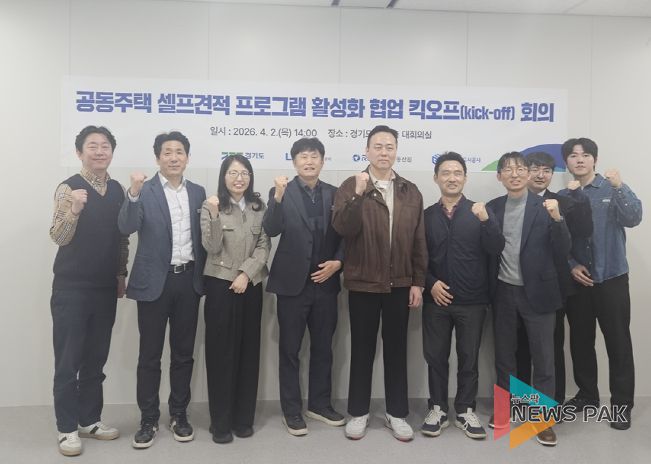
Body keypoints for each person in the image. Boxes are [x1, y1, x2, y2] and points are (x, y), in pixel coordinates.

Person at [332, 125, 427, 442]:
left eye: (389, 147)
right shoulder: (351, 185)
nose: (384, 152)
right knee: (362, 349)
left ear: (396, 151)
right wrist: (358, 195)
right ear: (367, 151)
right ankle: (358, 412)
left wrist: (418, 282)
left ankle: (396, 414)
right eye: (378, 146)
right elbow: (342, 227)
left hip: (400, 283)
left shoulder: (410, 191)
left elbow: (418, 239)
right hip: (363, 283)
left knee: (397, 350)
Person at [118, 131, 206, 449]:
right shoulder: (144, 190)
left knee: (183, 355)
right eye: (167, 152)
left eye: (179, 152)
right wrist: (133, 193)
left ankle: (179, 414)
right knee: (150, 356)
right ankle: (149, 419)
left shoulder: (198, 192)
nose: (173, 157)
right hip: (154, 282)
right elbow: (126, 226)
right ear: (157, 158)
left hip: (188, 281)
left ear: (187, 157)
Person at [50, 125, 128, 456]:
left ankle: (89, 420)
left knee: (96, 358)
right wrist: (73, 210)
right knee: (68, 361)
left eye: (105, 146)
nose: (99, 151)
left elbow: (122, 237)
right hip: (72, 287)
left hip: (104, 287)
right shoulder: (69, 188)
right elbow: (58, 235)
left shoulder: (118, 189)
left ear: (112, 151)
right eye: (92, 146)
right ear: (79, 152)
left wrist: (121, 274)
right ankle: (67, 428)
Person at [486, 152, 570, 447]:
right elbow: (489, 248)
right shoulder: (493, 207)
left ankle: (543, 421)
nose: (515, 174)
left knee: (544, 359)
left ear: (528, 173)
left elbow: (563, 249)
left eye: (520, 168)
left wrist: (558, 219)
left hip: (539, 292)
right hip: (504, 291)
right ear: (499, 176)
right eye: (508, 170)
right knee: (504, 357)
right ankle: (504, 410)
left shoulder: (546, 206)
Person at [263, 138, 345, 436]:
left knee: (324, 347)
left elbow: (347, 234)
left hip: (326, 282)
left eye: (314, 156)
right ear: (294, 161)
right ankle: (292, 410)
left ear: (322, 161)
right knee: (290, 350)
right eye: (303, 157)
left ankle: (320, 405)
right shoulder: (281, 191)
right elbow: (271, 229)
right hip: (292, 285)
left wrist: (339, 262)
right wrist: (278, 197)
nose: (309, 161)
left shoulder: (335, 193)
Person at [559, 138, 642, 430]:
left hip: (612, 279)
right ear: (566, 162)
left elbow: (634, 217)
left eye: (585, 155)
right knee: (580, 342)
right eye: (573, 156)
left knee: (618, 342)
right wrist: (571, 265)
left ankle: (621, 405)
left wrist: (620, 186)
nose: (580, 160)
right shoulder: (562, 196)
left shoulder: (611, 188)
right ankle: (587, 396)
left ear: (594, 159)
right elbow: (558, 239)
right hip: (578, 281)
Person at [421, 152, 504, 440]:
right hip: (436, 300)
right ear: (436, 178)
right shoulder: (426, 216)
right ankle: (437, 408)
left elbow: (496, 248)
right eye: (446, 173)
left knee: (469, 358)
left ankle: (465, 410)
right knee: (435, 357)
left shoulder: (480, 211)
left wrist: (487, 222)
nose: (452, 178)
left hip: (473, 301)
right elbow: (417, 258)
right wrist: (430, 283)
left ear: (465, 178)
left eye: (457, 173)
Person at [201, 154, 270, 444]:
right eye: (233, 173)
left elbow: (264, 245)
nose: (239, 178)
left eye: (244, 173)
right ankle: (220, 423)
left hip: (250, 285)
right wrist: (215, 214)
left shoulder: (259, 207)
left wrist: (245, 273)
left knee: (248, 352)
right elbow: (211, 245)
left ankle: (243, 420)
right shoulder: (210, 205)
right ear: (224, 176)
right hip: (220, 285)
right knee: (220, 354)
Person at [515, 151, 593, 404]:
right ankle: (521, 401)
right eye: (535, 169)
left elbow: (582, 232)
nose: (540, 175)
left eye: (546, 171)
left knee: (550, 349)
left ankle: (552, 402)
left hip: (551, 289)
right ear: (525, 171)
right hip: (516, 287)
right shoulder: (513, 202)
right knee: (520, 348)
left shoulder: (564, 202)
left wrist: (578, 197)